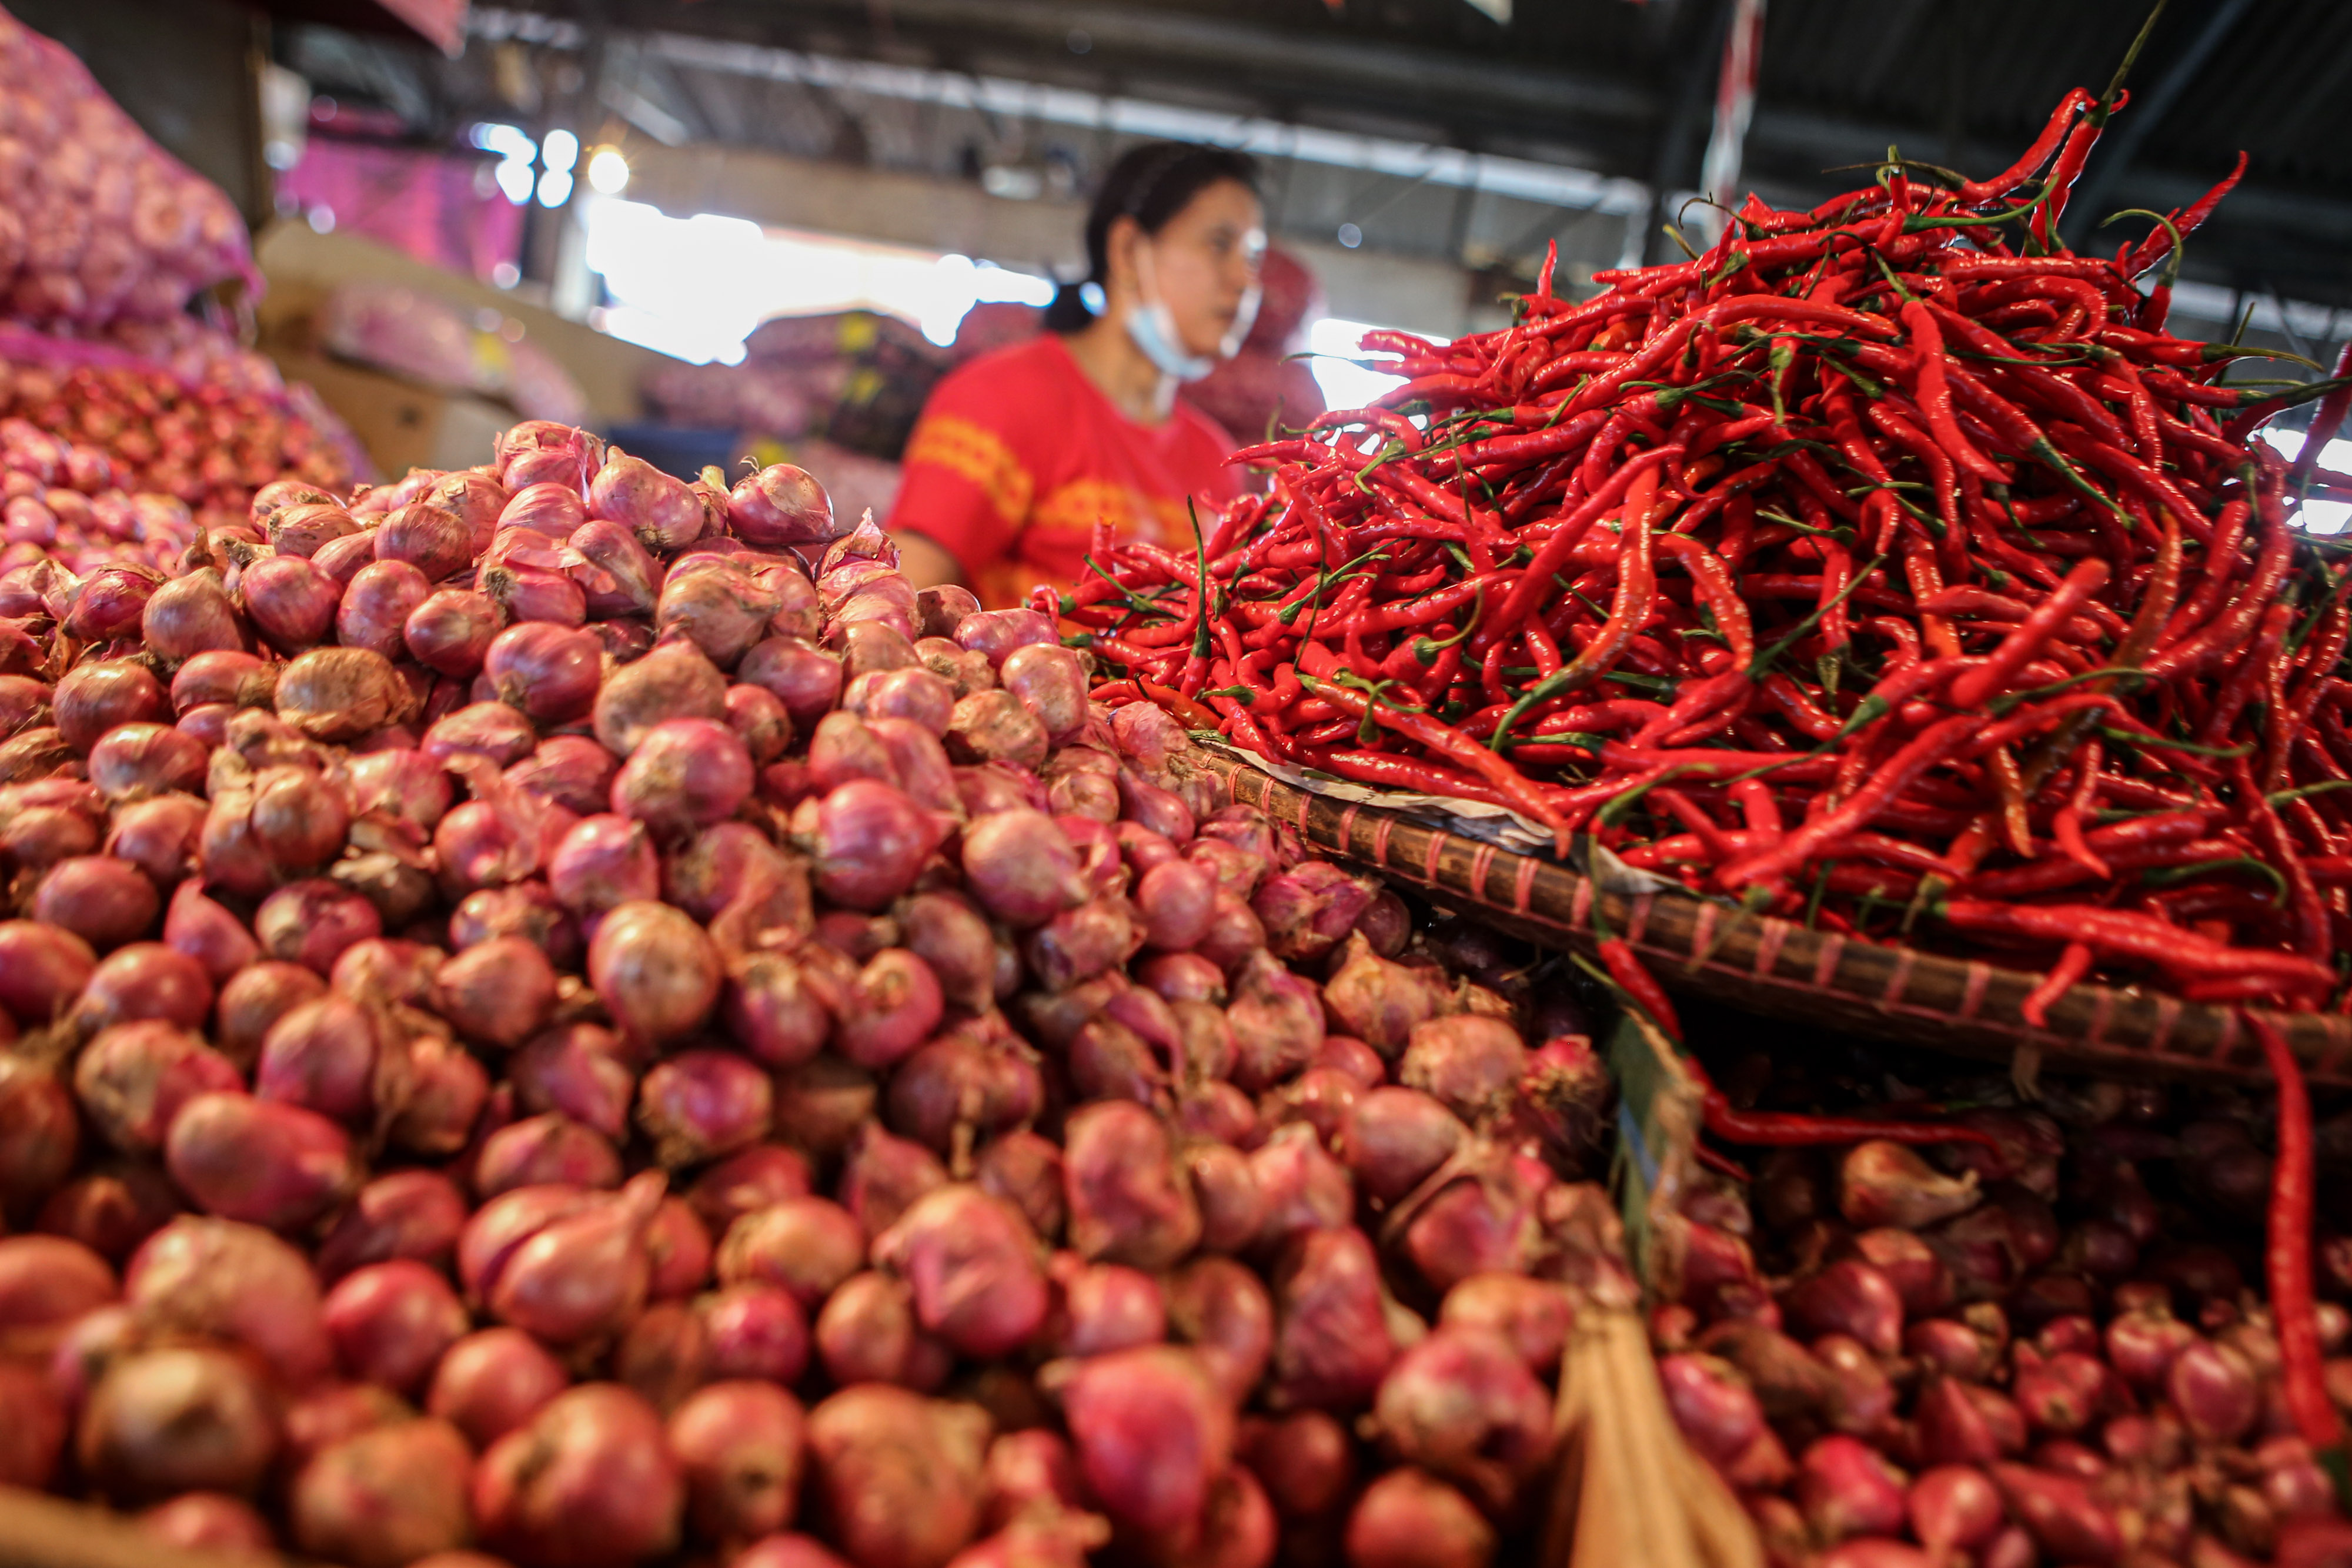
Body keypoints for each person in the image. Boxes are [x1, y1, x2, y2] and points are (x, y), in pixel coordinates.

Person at [890, 142, 1266, 607]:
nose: (1245, 282)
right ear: (1128, 250)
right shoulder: (1001, 398)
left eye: (1252, 258)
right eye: (1219, 245)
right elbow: (906, 599)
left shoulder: (1218, 461)